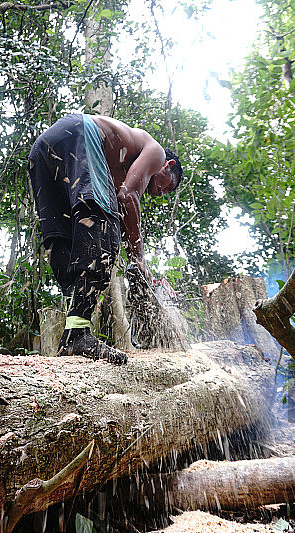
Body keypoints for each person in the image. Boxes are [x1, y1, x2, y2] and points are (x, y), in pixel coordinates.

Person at [29, 113, 183, 365]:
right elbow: (127, 197)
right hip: (81, 133)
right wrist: (139, 259)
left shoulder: (115, 167)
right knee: (102, 240)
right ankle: (77, 335)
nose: (160, 193)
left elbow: (118, 212)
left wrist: (142, 272)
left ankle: (72, 333)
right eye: (167, 186)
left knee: (65, 238)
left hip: (43, 148)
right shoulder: (155, 152)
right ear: (169, 165)